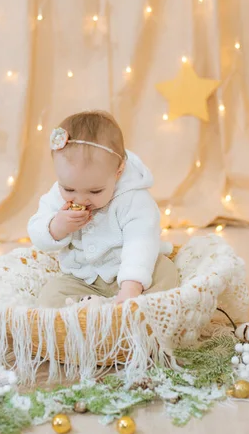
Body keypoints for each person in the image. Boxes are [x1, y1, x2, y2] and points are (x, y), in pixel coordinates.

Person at [28, 110, 178, 308]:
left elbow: (140, 240)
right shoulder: (57, 194)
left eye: (95, 191)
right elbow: (36, 230)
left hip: (129, 273)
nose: (80, 198)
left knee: (166, 273)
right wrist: (56, 226)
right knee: (50, 297)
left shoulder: (132, 197)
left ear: (118, 172)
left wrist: (131, 285)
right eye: (69, 189)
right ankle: (89, 311)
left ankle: (131, 307)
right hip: (82, 278)